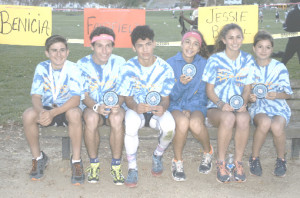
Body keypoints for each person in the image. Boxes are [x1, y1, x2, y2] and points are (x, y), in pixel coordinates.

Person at [22, 35, 84, 185]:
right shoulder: (41, 67)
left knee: (75, 114)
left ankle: (76, 161)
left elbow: (76, 99)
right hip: (48, 108)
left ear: (68, 52)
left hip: (68, 107)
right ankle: (38, 158)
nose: (58, 54)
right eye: (54, 50)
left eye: (62, 50)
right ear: (47, 53)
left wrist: (52, 113)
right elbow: (36, 96)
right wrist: (41, 111)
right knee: (28, 114)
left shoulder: (73, 68)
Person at [119, 25, 176, 187]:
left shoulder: (165, 68)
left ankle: (157, 154)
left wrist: (163, 107)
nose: (145, 49)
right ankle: (132, 168)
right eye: (140, 45)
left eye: (148, 44)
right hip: (136, 111)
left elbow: (166, 98)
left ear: (154, 43)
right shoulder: (127, 68)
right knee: (130, 125)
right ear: (133, 47)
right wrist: (135, 107)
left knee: (170, 128)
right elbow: (128, 98)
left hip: (156, 111)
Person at [202, 23, 255, 183]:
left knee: (244, 118)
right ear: (224, 40)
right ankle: (221, 162)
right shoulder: (215, 59)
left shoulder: (248, 59)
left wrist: (243, 104)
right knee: (228, 118)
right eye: (230, 38)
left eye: (238, 37)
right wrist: (221, 104)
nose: (235, 41)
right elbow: (209, 90)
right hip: (216, 108)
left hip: (237, 107)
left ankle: (238, 162)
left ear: (243, 39)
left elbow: (247, 88)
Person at [77, 26, 126, 185]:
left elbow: (123, 90)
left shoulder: (120, 62)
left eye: (108, 46)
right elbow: (83, 93)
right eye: (99, 46)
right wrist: (95, 107)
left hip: (114, 107)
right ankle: (94, 164)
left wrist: (117, 104)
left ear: (113, 46)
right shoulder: (82, 64)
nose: (104, 50)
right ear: (92, 46)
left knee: (117, 118)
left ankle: (116, 165)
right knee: (91, 118)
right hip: (92, 107)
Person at [167, 30, 213, 182]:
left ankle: (208, 152)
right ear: (181, 43)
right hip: (174, 105)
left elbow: (202, 94)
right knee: (182, 122)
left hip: (196, 105)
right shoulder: (170, 63)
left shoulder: (204, 64)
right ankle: (177, 161)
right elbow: (169, 96)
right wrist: (180, 84)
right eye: (187, 42)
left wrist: (190, 107)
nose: (190, 46)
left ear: (199, 48)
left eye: (195, 44)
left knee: (195, 123)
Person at [248, 31, 293, 177]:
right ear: (254, 48)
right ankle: (254, 158)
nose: (263, 50)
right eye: (260, 46)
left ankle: (281, 159)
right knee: (265, 122)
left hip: (278, 106)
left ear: (272, 49)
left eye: (268, 47)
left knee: (277, 125)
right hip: (258, 107)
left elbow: (288, 93)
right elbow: (245, 93)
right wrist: (250, 98)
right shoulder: (248, 68)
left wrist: (277, 95)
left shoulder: (279, 67)